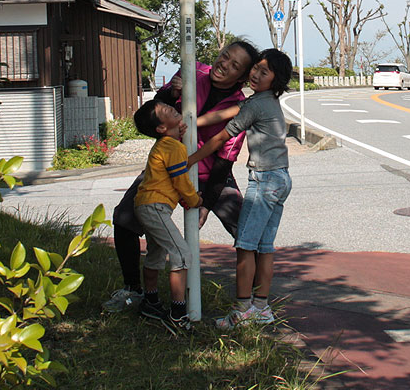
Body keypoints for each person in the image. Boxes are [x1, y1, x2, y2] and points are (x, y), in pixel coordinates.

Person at [103, 40, 259, 313]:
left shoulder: (240, 106)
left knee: (245, 231)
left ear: (242, 78)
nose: (224, 64)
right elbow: (152, 115)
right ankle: (133, 290)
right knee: (124, 218)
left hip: (209, 172)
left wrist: (207, 204)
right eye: (225, 56)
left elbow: (224, 161)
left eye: (235, 65)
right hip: (165, 168)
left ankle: (253, 301)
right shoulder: (192, 71)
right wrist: (170, 92)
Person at [187, 49, 293, 329]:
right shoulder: (265, 100)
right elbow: (226, 113)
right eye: (255, 68)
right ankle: (261, 308)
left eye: (264, 72)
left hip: (265, 180)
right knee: (264, 248)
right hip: (281, 178)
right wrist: (192, 122)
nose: (255, 74)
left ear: (275, 80)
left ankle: (242, 310)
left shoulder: (256, 105)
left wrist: (190, 160)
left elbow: (221, 137)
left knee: (245, 247)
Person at [130, 99, 202, 331]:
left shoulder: (166, 144)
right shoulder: (173, 147)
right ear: (161, 127)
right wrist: (195, 200)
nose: (170, 107)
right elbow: (181, 180)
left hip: (146, 204)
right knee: (181, 254)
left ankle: (150, 302)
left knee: (156, 254)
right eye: (165, 110)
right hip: (155, 206)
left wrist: (177, 133)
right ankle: (178, 314)